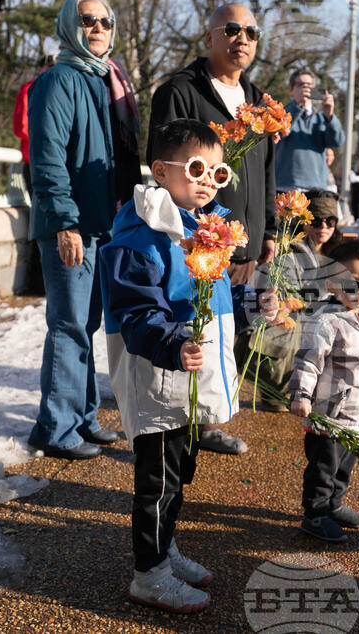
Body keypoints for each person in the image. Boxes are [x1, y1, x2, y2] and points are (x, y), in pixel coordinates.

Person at [101, 119, 276, 613]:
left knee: (181, 472)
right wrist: (172, 343)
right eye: (196, 168)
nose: (207, 180)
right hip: (160, 375)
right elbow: (135, 311)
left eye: (218, 173)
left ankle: (166, 548)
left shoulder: (206, 230)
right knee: (157, 481)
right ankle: (149, 574)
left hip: (191, 376)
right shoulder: (140, 236)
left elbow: (215, 293)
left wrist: (250, 302)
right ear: (160, 171)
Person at [148, 2, 276, 455]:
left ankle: (211, 416)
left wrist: (270, 230)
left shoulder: (260, 102)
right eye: (232, 29)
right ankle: (182, 426)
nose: (243, 38)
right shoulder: (180, 91)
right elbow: (159, 163)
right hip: (199, 237)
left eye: (252, 32)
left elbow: (266, 171)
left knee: (229, 330)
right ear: (210, 37)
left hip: (244, 239)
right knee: (192, 326)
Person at [26, 0, 142, 460]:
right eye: (87, 20)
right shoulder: (58, 80)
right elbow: (47, 159)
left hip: (103, 221)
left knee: (88, 324)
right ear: (69, 26)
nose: (97, 28)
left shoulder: (107, 80)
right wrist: (65, 223)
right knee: (70, 325)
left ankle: (84, 416)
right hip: (70, 224)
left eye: (105, 22)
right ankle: (54, 429)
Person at [289, 238, 359, 542]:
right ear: (333, 284)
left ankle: (334, 504)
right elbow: (308, 362)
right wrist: (301, 396)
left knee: (345, 466)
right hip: (327, 415)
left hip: (357, 416)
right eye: (355, 285)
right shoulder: (326, 322)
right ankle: (315, 514)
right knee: (323, 468)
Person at [237, 191, 344, 411]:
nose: (323, 227)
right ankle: (281, 390)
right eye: (316, 221)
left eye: (330, 221)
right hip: (285, 327)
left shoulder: (339, 253)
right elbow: (286, 303)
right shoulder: (288, 253)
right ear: (304, 222)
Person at [13, 54, 56, 296]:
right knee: (40, 219)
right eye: (47, 64)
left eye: (54, 65)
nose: (50, 68)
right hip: (35, 161)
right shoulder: (29, 88)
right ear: (39, 68)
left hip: (55, 164)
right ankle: (35, 284)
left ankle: (44, 283)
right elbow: (21, 127)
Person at [274, 69, 344, 193]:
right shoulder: (281, 113)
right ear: (291, 90)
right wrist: (297, 106)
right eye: (301, 85)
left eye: (309, 85)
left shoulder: (322, 118)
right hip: (285, 186)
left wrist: (330, 115)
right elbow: (278, 133)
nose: (306, 88)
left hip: (316, 187)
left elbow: (337, 141)